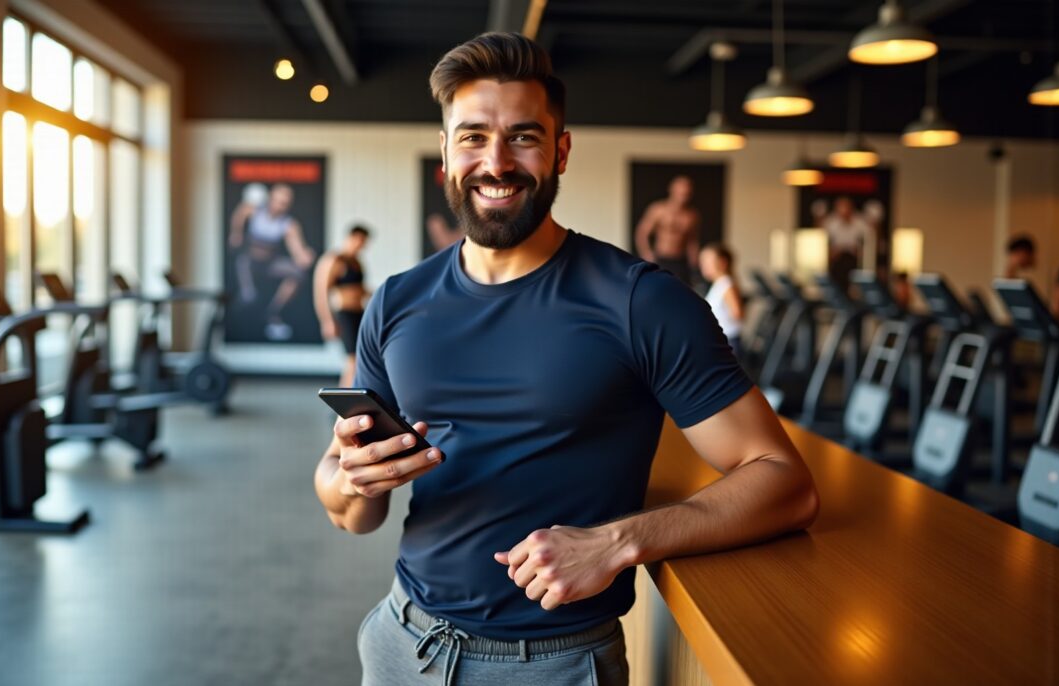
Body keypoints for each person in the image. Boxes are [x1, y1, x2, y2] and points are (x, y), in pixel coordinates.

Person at [313, 33, 818, 686]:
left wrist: (618, 543)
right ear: (445, 153)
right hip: (400, 639)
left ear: (561, 150)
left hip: (553, 665)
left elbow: (785, 482)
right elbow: (351, 511)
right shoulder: (397, 301)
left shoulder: (642, 301)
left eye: (522, 136)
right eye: (471, 137)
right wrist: (349, 478)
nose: (495, 163)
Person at [227, 183, 316, 340]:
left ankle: (273, 310)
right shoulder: (255, 210)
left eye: (285, 203)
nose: (281, 206)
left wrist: (304, 257)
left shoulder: (289, 224)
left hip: (270, 263)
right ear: (271, 198)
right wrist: (237, 233)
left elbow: (297, 248)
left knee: (298, 273)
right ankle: (247, 294)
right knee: (243, 262)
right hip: (249, 262)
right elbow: (240, 214)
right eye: (279, 201)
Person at [314, 225, 371, 387]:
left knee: (360, 359)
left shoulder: (357, 262)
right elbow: (321, 292)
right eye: (360, 241)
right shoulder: (334, 260)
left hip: (359, 312)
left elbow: (360, 289)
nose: (362, 245)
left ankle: (351, 402)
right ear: (351, 238)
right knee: (352, 360)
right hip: (344, 314)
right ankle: (343, 407)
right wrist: (327, 321)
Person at [634, 175, 700, 285]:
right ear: (672, 190)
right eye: (680, 192)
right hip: (660, 259)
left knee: (682, 293)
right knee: (658, 290)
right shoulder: (658, 210)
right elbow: (642, 233)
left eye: (686, 193)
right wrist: (647, 254)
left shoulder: (692, 215)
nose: (683, 196)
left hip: (680, 262)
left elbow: (692, 241)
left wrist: (695, 264)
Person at [813, 196, 877, 293]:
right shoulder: (831, 222)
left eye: (846, 207)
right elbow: (820, 236)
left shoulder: (859, 221)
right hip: (837, 260)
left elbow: (871, 236)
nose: (844, 211)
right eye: (841, 208)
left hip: (853, 259)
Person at [699, 243, 744, 359]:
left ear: (723, 262)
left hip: (728, 341)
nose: (704, 266)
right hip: (720, 340)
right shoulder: (718, 284)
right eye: (703, 261)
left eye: (708, 261)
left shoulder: (726, 284)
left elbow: (738, 313)